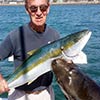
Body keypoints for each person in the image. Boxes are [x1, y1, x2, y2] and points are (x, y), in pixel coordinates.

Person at [0, 0, 60, 100]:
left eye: (43, 8)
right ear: (27, 10)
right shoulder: (15, 36)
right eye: (33, 8)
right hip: (19, 95)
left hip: (47, 93)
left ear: (48, 8)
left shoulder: (54, 35)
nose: (39, 13)